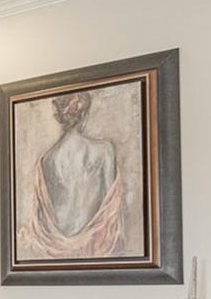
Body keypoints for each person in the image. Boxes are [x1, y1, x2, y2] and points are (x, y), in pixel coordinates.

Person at [18, 90, 130, 260]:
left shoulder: (46, 160)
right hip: (96, 246)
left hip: (55, 249)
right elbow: (111, 212)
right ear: (84, 113)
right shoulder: (105, 150)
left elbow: (44, 217)